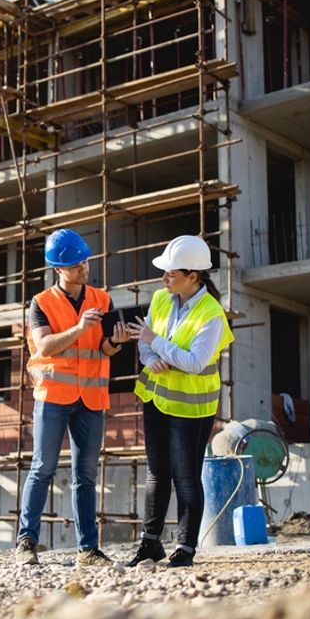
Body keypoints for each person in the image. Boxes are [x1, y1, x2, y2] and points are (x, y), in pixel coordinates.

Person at [15, 229, 129, 566]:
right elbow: (45, 345)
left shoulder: (102, 299)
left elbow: (103, 348)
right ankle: (25, 542)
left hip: (91, 399)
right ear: (58, 268)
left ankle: (88, 550)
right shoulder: (42, 303)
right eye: (76, 263)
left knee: (86, 475)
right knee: (42, 468)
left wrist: (117, 342)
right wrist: (79, 328)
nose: (84, 267)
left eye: (85, 260)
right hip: (54, 396)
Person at [125, 235, 234, 568]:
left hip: (191, 407)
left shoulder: (211, 313)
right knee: (157, 475)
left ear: (193, 276)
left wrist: (155, 342)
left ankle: (185, 549)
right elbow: (144, 340)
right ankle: (151, 543)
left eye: (171, 273)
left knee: (186, 477)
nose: (164, 278)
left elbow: (195, 361)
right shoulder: (161, 298)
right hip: (156, 399)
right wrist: (148, 356)